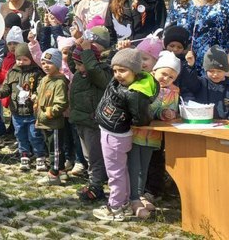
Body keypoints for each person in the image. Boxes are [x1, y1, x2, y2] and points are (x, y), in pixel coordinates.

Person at [92, 48, 157, 222]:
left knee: (115, 173)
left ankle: (115, 207)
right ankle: (125, 202)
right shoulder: (124, 84)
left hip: (114, 135)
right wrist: (117, 50)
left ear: (135, 71)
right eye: (115, 70)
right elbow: (107, 64)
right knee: (121, 171)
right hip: (113, 131)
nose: (117, 74)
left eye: (123, 70)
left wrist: (127, 119)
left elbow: (141, 117)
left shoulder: (133, 93)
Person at [129, 50, 181, 218]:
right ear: (154, 71)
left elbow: (169, 110)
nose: (166, 79)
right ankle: (132, 197)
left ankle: (141, 196)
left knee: (145, 167)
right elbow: (142, 107)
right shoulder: (145, 84)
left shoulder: (173, 91)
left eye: (171, 77)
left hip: (153, 137)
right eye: (163, 74)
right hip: (137, 132)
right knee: (134, 167)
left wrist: (169, 113)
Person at [69, 38, 111, 203]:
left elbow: (93, 69)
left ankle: (96, 186)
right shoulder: (81, 72)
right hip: (81, 120)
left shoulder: (100, 73)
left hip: (92, 122)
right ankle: (94, 183)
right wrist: (77, 44)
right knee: (88, 156)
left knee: (95, 157)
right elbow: (74, 63)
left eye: (81, 64)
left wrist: (86, 51)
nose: (77, 68)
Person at [0, 43, 46, 171]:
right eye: (19, 59)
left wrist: (36, 95)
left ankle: (40, 156)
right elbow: (6, 87)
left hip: (31, 112)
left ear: (31, 59)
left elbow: (41, 87)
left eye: (25, 59)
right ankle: (24, 155)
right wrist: (0, 93)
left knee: (34, 135)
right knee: (20, 135)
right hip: (17, 112)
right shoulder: (12, 72)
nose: (21, 62)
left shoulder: (36, 73)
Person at [182, 45, 229, 120]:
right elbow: (189, 83)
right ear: (206, 70)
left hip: (225, 126)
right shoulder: (200, 83)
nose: (215, 74)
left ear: (225, 70)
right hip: (202, 123)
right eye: (211, 71)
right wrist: (190, 66)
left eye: (219, 71)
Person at [34, 48, 69, 185]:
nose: (46, 66)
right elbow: (40, 93)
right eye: (43, 63)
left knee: (55, 149)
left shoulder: (59, 82)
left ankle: (53, 175)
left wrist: (48, 113)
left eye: (49, 63)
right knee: (50, 147)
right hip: (43, 121)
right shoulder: (44, 79)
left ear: (57, 64)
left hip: (53, 122)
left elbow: (61, 103)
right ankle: (60, 170)